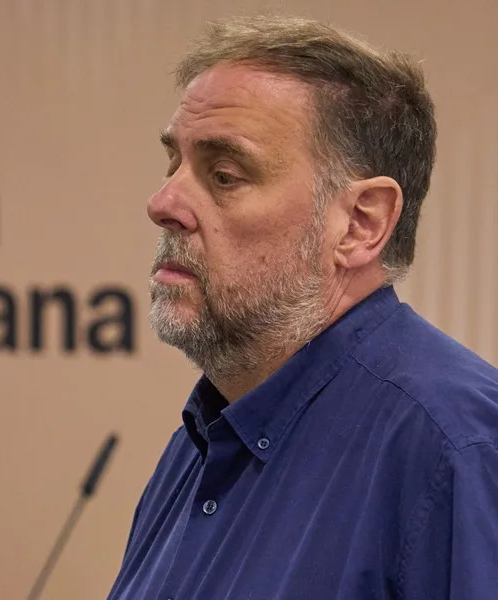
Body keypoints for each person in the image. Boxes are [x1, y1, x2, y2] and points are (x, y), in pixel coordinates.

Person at [107, 14, 498, 600]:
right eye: (174, 164)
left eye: (224, 174)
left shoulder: (455, 451)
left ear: (360, 224)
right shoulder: (208, 432)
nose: (163, 203)